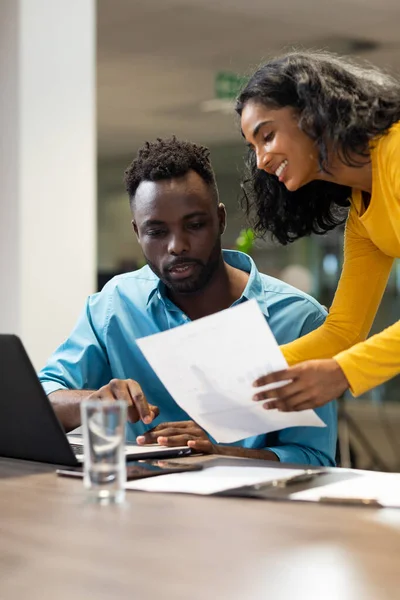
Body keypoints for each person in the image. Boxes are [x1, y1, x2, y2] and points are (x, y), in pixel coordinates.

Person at [39, 136, 336, 466]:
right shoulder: (116, 304)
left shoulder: (298, 319)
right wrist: (93, 402)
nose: (176, 246)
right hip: (135, 508)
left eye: (194, 225)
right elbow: (41, 398)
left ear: (220, 220)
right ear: (137, 232)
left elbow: (315, 459)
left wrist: (220, 454)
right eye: (157, 231)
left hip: (248, 512)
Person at [237, 50, 400, 413]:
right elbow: (344, 331)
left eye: (267, 136)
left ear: (313, 113)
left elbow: (344, 352)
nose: (261, 160)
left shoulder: (396, 152)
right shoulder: (363, 210)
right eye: (253, 147)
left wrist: (344, 372)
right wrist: (246, 373)